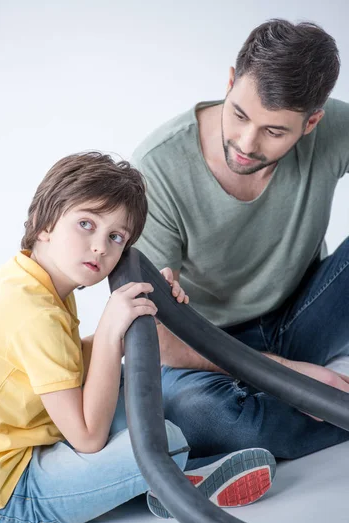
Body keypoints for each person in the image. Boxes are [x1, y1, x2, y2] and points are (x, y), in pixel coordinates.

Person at [0, 152, 276, 523]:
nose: (100, 247)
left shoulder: (31, 281)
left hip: (16, 448)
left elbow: (59, 363)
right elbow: (87, 438)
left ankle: (161, 482)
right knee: (164, 440)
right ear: (44, 223)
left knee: (137, 396)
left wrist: (138, 315)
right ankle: (170, 483)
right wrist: (108, 330)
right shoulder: (34, 312)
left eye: (115, 237)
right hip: (2, 496)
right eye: (86, 224)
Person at [132, 19, 349, 462]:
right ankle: (313, 409)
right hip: (204, 345)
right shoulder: (158, 170)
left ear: (312, 122)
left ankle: (302, 410)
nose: (247, 144)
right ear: (230, 81)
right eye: (240, 114)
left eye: (274, 131)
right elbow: (159, 340)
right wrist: (288, 375)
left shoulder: (335, 130)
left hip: (304, 315)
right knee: (202, 417)